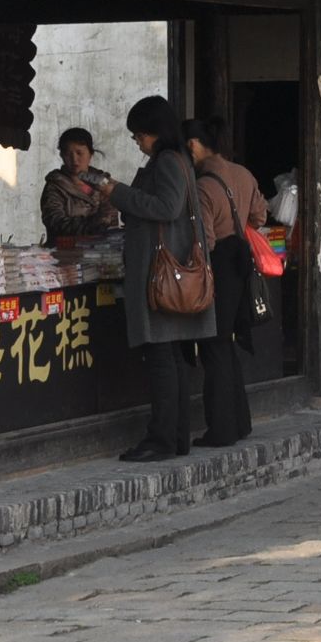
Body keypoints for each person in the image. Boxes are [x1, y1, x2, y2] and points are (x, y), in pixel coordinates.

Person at [95, 95, 225, 462]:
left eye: (139, 134)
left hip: (162, 276)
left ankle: (162, 439)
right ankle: (174, 437)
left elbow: (166, 208)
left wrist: (116, 193)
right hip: (169, 273)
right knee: (170, 358)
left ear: (154, 131)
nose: (137, 141)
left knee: (161, 360)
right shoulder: (178, 160)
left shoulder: (168, 162)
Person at [185, 116, 264, 446]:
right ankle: (240, 422)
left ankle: (221, 429)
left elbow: (204, 240)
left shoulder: (203, 186)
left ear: (193, 145)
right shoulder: (243, 174)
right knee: (227, 345)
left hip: (218, 267)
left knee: (213, 348)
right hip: (240, 265)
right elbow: (260, 216)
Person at [40, 127, 116, 241]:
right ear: (61, 155)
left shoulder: (104, 184)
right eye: (68, 154)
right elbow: (56, 223)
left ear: (91, 154)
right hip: (66, 253)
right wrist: (96, 222)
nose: (74, 160)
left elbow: (112, 220)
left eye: (80, 153)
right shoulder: (55, 187)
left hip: (102, 252)